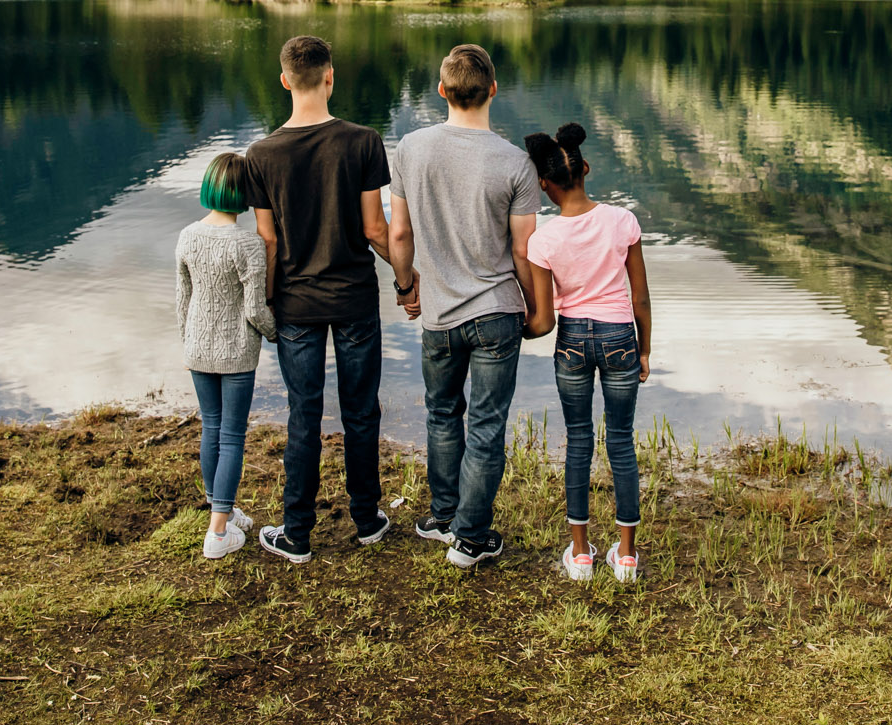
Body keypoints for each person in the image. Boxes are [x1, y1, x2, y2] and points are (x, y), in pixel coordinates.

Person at [243, 35, 410, 564]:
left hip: (296, 304)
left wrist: (268, 301)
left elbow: (267, 241)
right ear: (331, 77)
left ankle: (297, 533)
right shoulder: (363, 141)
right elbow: (376, 229)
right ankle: (366, 519)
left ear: (285, 80)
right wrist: (407, 280)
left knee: (303, 414)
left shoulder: (261, 154)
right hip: (356, 299)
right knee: (362, 411)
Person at [388, 43, 540, 567]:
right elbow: (524, 250)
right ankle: (472, 537)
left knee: (441, 414)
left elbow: (400, 233)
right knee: (486, 424)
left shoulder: (409, 148)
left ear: (441, 91)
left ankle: (444, 516)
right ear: (493, 90)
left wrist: (407, 287)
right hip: (497, 311)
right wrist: (537, 309)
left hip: (439, 314)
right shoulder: (515, 162)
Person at [522, 122, 653, 583]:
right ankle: (627, 555)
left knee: (578, 441)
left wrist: (511, 326)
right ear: (586, 168)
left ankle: (580, 554)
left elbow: (543, 321)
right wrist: (644, 351)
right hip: (620, 337)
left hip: (573, 341)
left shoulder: (543, 241)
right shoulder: (623, 221)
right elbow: (639, 296)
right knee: (621, 441)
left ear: (545, 186)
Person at [174, 151, 276, 559]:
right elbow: (254, 310)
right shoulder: (249, 244)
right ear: (245, 195)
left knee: (210, 428)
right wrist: (276, 333)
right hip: (236, 352)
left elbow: (183, 301)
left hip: (197, 347)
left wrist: (188, 341)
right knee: (232, 435)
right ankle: (217, 533)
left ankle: (225, 511)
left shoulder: (187, 236)